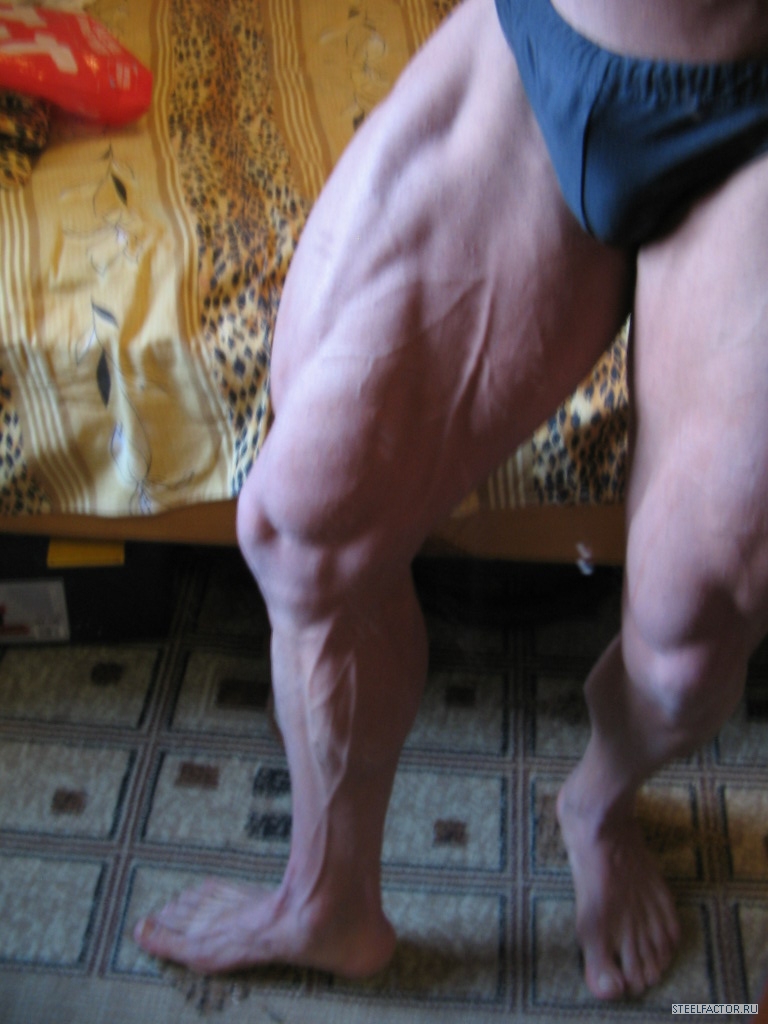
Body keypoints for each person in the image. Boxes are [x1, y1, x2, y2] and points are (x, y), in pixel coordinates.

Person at [134, 0, 768, 1001]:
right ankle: (327, 901)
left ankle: (600, 807)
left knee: (687, 647)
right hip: (557, 39)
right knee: (305, 522)